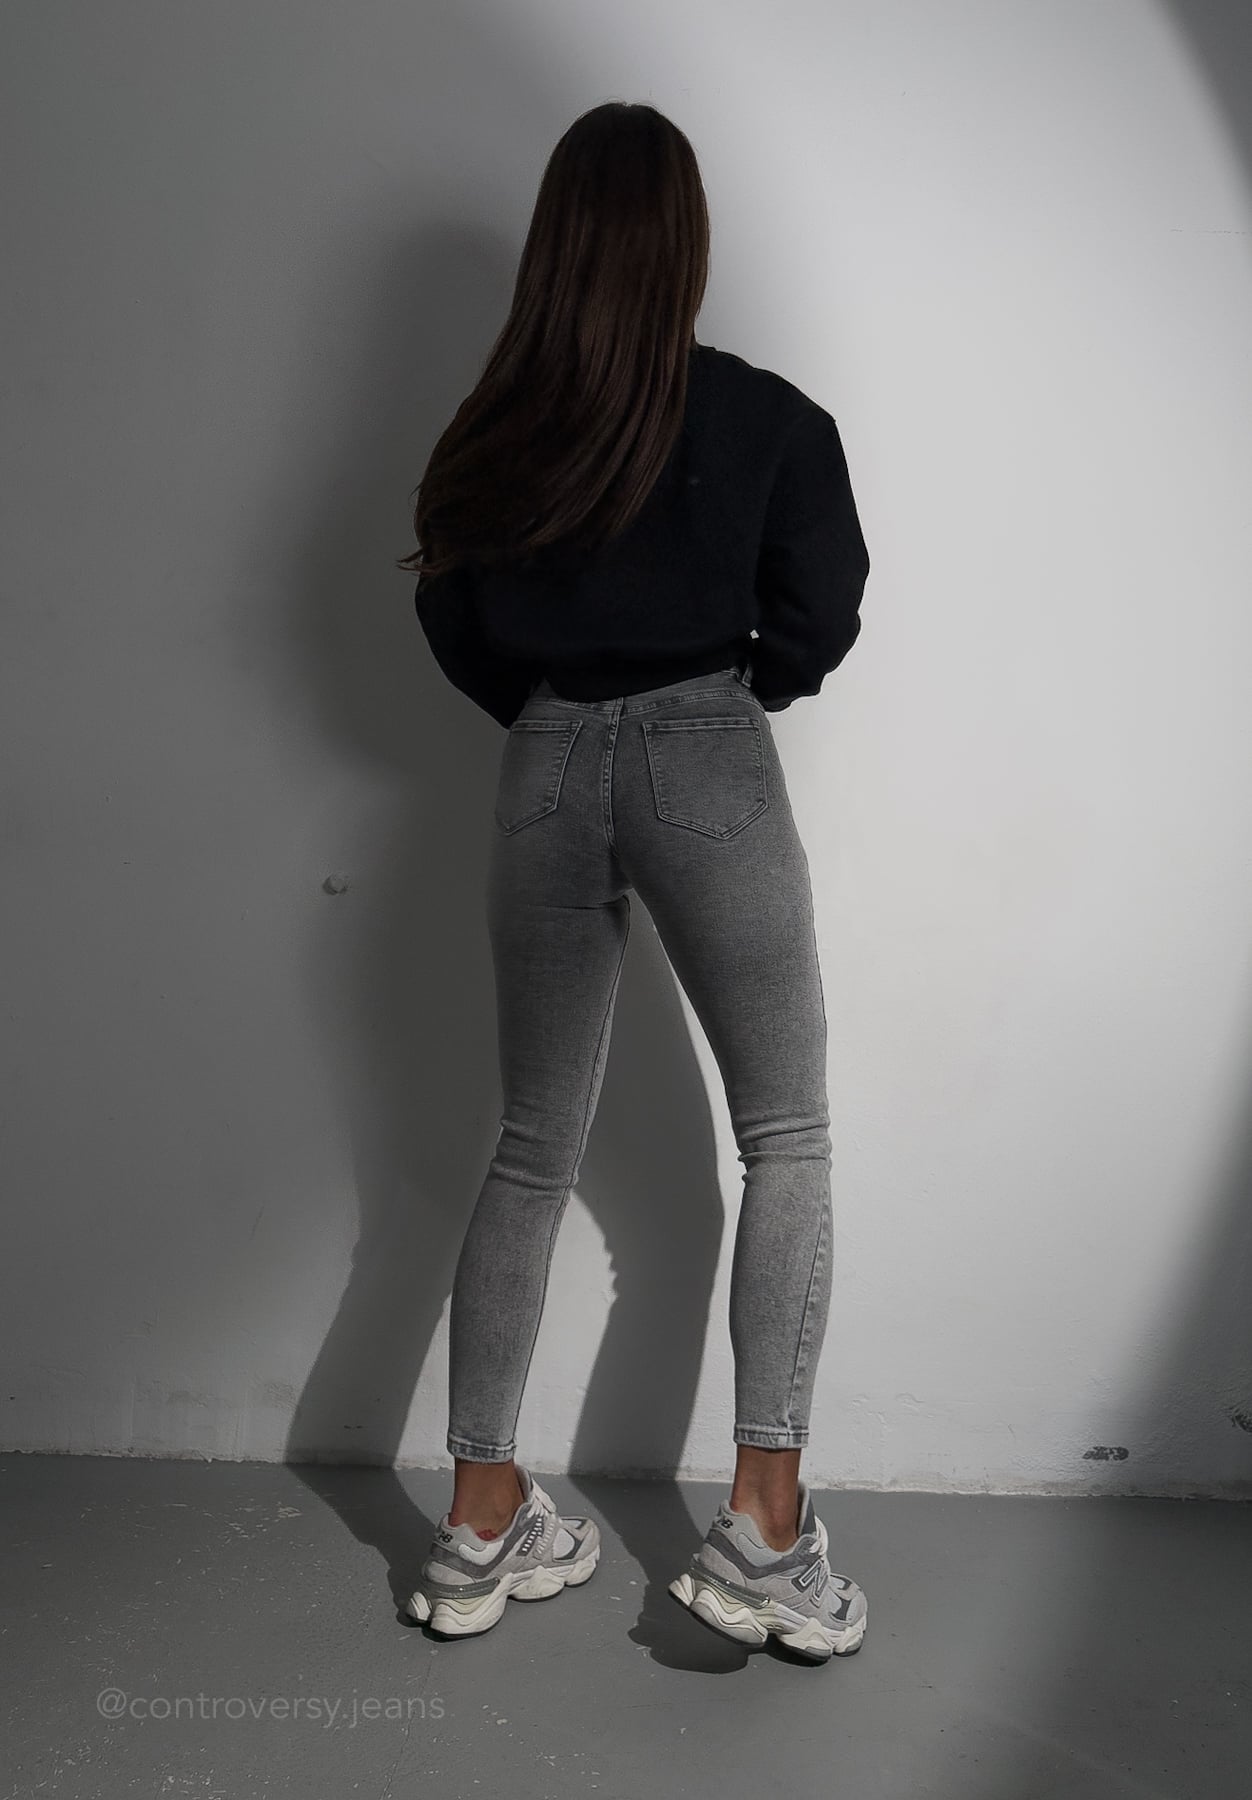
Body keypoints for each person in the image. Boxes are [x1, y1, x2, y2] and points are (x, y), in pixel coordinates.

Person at [397, 101, 871, 1663]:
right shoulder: (768, 421)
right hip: (704, 749)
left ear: (556, 248)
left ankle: (478, 1521)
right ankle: (768, 1533)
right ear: (686, 245)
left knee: (531, 1148)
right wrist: (723, 702)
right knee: (785, 1135)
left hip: (541, 762)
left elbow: (454, 617)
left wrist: (558, 712)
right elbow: (823, 610)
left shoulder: (497, 435)